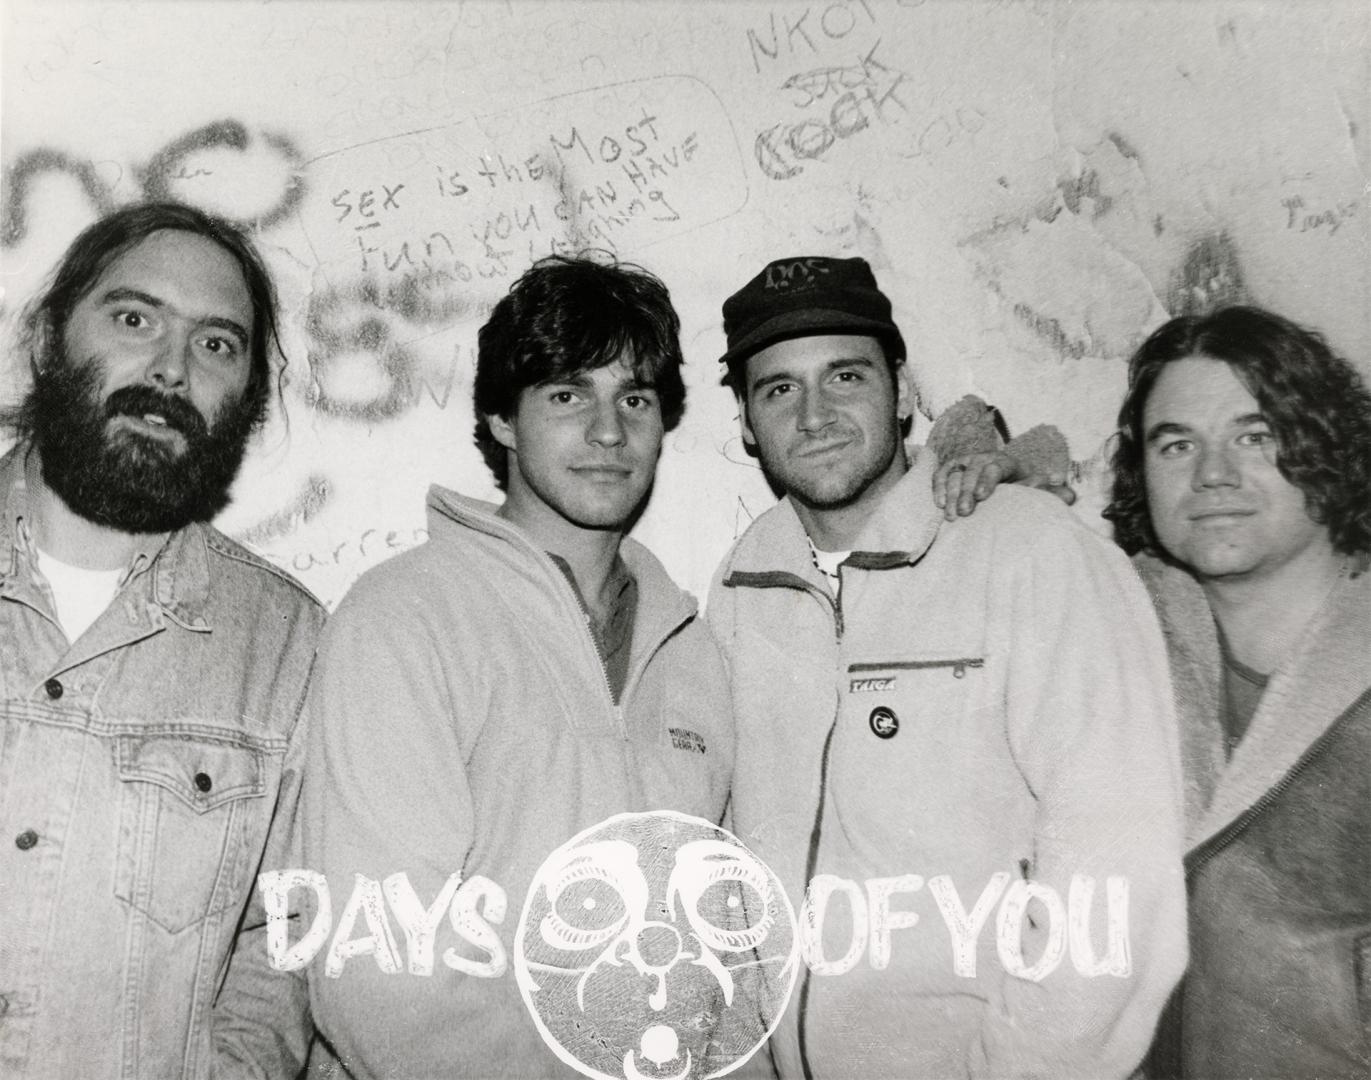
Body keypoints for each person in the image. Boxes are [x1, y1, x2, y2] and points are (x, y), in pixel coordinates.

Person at [707, 255, 1188, 1078]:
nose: (813, 414)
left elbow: (1116, 881)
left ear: (901, 390)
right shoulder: (742, 583)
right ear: (748, 423)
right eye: (778, 388)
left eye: (845, 376)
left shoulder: (1033, 553)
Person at [299, 255, 738, 1078]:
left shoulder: (695, 649)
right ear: (502, 419)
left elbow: (714, 956)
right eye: (569, 394)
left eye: (634, 399)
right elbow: (376, 969)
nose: (608, 432)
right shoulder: (405, 618)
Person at [0, 202, 324, 1078]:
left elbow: (284, 946)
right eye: (135, 319)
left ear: (248, 397)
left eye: (217, 344)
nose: (171, 369)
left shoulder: (285, 646)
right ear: (49, 338)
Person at [1107, 308, 1371, 1079]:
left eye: (1253, 437)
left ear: (1325, 446)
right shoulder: (1121, 644)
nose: (1212, 474)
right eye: (1177, 444)